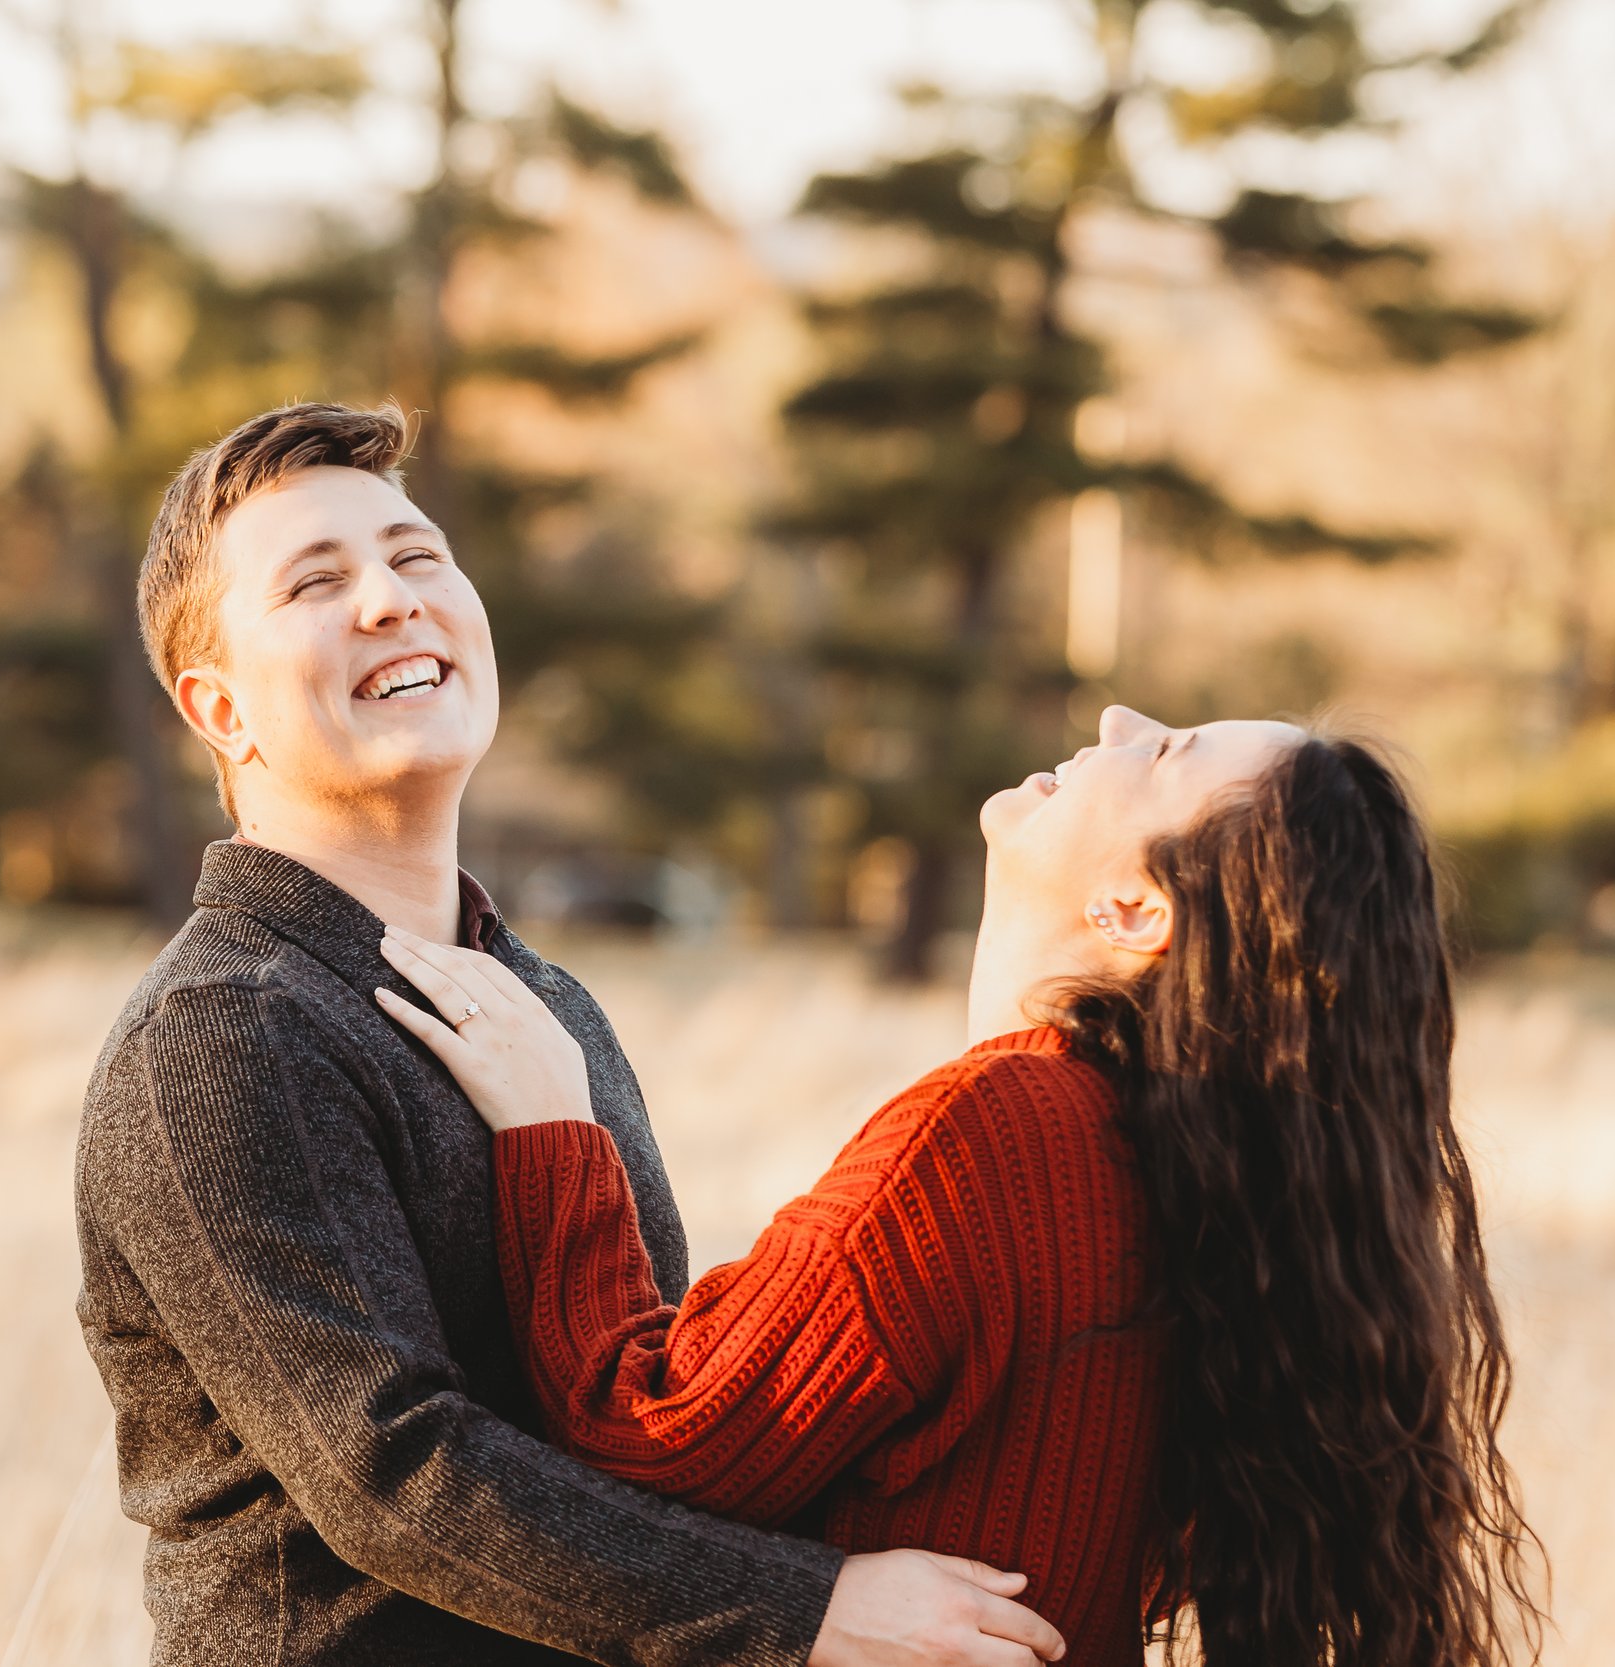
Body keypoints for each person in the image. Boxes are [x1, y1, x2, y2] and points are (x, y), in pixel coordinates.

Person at [73, 401, 1067, 1667]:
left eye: (416, 554)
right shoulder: (224, 1033)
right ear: (221, 709)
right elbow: (391, 1469)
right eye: (316, 582)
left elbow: (635, 1395)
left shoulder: (545, 1002)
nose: (390, 598)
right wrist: (807, 1607)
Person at [378, 708, 1545, 1667]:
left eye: (1161, 751)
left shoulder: (1000, 1128)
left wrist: (550, 1126)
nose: (1116, 719)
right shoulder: (1176, 1168)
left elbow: (642, 1429)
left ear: (1133, 910)